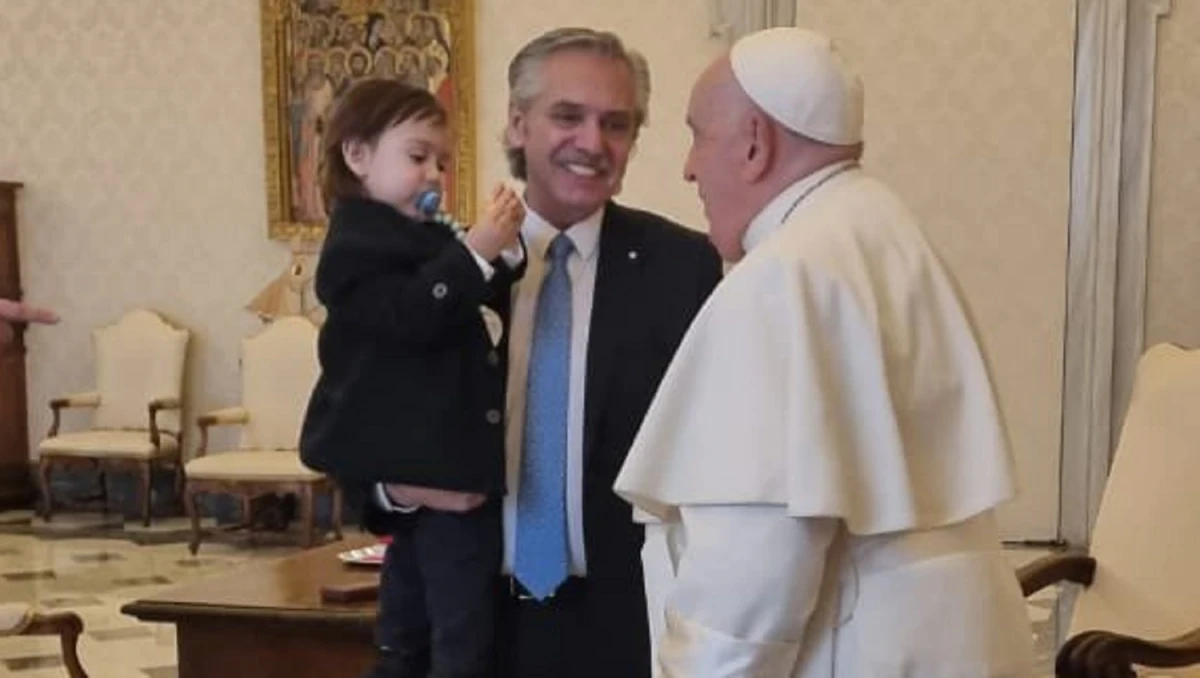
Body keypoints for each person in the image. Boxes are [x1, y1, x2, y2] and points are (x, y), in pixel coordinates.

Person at [614, 26, 1036, 676]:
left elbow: (749, 579)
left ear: (755, 142)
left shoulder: (782, 277)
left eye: (698, 134)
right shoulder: (885, 233)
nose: (689, 166)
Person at [365, 27, 724, 678]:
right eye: (567, 116)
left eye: (616, 124)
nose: (592, 142)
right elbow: (353, 438)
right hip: (463, 627)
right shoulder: (435, 269)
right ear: (516, 124)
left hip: (623, 632)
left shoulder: (684, 269)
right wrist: (396, 487)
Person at [298, 78, 527, 678]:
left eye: (442, 162)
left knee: (423, 612)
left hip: (442, 459)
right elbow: (410, 316)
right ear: (357, 155)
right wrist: (474, 252)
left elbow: (470, 294)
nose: (434, 175)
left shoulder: (428, 235)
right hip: (418, 461)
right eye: (418, 156)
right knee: (450, 623)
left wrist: (501, 254)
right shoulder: (356, 242)